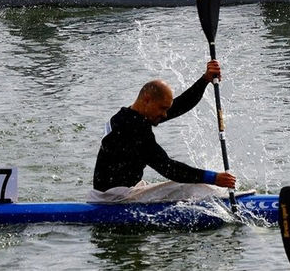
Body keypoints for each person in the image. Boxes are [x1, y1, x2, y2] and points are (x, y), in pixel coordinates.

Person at [90, 62, 238, 203]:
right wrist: (213, 178)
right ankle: (233, 202)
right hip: (113, 198)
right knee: (194, 187)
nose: (165, 115)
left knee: (187, 186)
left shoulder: (128, 115)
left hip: (120, 191)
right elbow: (169, 169)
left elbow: (180, 105)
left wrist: (205, 79)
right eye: (162, 109)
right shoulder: (133, 128)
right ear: (147, 100)